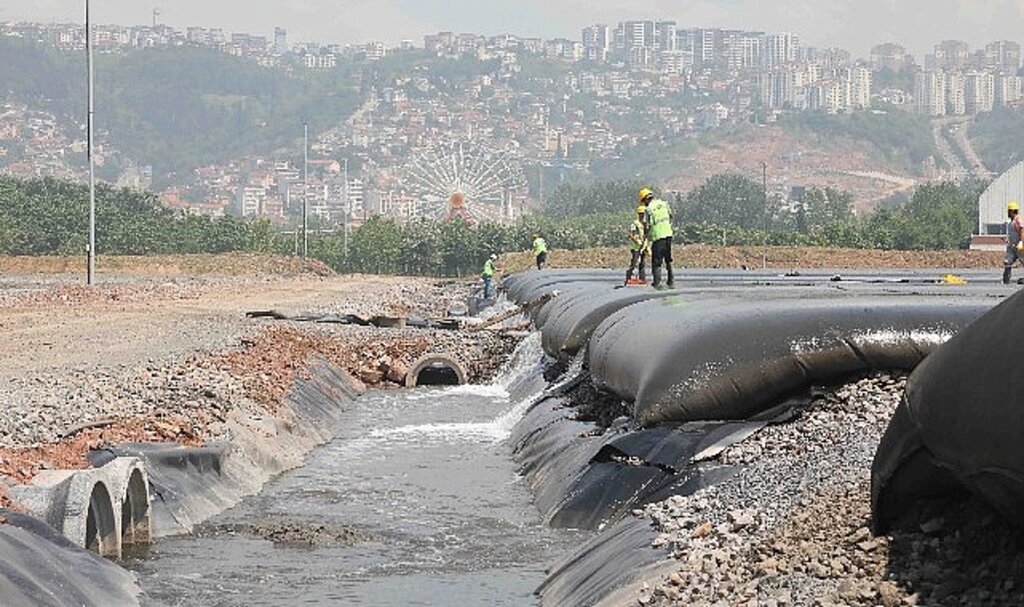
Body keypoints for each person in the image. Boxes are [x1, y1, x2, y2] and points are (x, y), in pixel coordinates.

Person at [640, 187, 675, 289]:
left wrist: (645, 236)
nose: (644, 203)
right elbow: (671, 216)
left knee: (656, 261)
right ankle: (671, 281)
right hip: (668, 234)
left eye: (643, 201)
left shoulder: (649, 209)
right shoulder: (664, 204)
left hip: (658, 236)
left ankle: (657, 282)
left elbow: (646, 225)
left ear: (646, 199)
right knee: (668, 259)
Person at [625, 203, 649, 284]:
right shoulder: (635, 224)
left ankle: (642, 278)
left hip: (643, 246)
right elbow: (630, 234)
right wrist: (636, 241)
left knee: (642, 262)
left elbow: (646, 234)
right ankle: (628, 277)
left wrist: (646, 245)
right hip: (635, 247)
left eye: (644, 214)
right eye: (641, 214)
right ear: (639, 214)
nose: (643, 216)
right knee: (634, 262)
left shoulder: (646, 224)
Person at [1003, 201, 1024, 284]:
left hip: (1019, 246)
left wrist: (1022, 242)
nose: (1008, 213)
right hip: (1012, 246)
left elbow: (1022, 231)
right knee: (1007, 261)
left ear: (1012, 211)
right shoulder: (1010, 222)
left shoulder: (1018, 220)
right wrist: (1008, 240)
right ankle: (1006, 279)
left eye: (1009, 211)